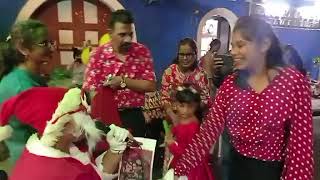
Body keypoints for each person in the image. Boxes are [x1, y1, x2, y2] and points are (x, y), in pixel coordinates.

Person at [173, 16, 314, 180]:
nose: (233, 52)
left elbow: (301, 148)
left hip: (271, 172)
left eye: (241, 45)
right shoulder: (230, 85)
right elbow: (208, 131)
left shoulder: (293, 84)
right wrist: (180, 169)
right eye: (232, 46)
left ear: (264, 44)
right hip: (236, 168)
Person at [0, 87, 130, 180]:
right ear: (62, 125)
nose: (89, 118)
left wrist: (116, 149)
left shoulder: (60, 147)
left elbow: (94, 174)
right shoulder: (65, 173)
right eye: (82, 113)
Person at [83, 9, 156, 137]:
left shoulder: (142, 52)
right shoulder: (98, 55)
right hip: (106, 116)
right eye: (122, 35)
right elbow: (91, 89)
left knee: (135, 155)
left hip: (134, 116)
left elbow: (150, 85)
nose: (128, 39)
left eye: (130, 34)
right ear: (110, 33)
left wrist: (123, 81)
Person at [0, 19, 53, 170]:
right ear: (24, 49)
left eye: (50, 42)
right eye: (43, 44)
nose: (51, 48)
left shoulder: (28, 76)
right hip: (30, 159)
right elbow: (49, 129)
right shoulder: (22, 87)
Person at [165, 84, 215, 180]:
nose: (185, 111)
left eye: (190, 107)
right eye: (182, 106)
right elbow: (178, 129)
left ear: (196, 106)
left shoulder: (192, 126)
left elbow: (188, 153)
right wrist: (172, 132)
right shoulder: (183, 118)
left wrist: (172, 145)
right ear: (176, 104)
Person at [161, 38, 211, 121]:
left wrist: (190, 112)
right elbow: (164, 99)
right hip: (172, 119)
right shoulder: (169, 72)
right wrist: (173, 116)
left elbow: (206, 100)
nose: (185, 58)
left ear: (195, 55)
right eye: (181, 54)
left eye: (188, 54)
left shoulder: (201, 75)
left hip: (195, 120)